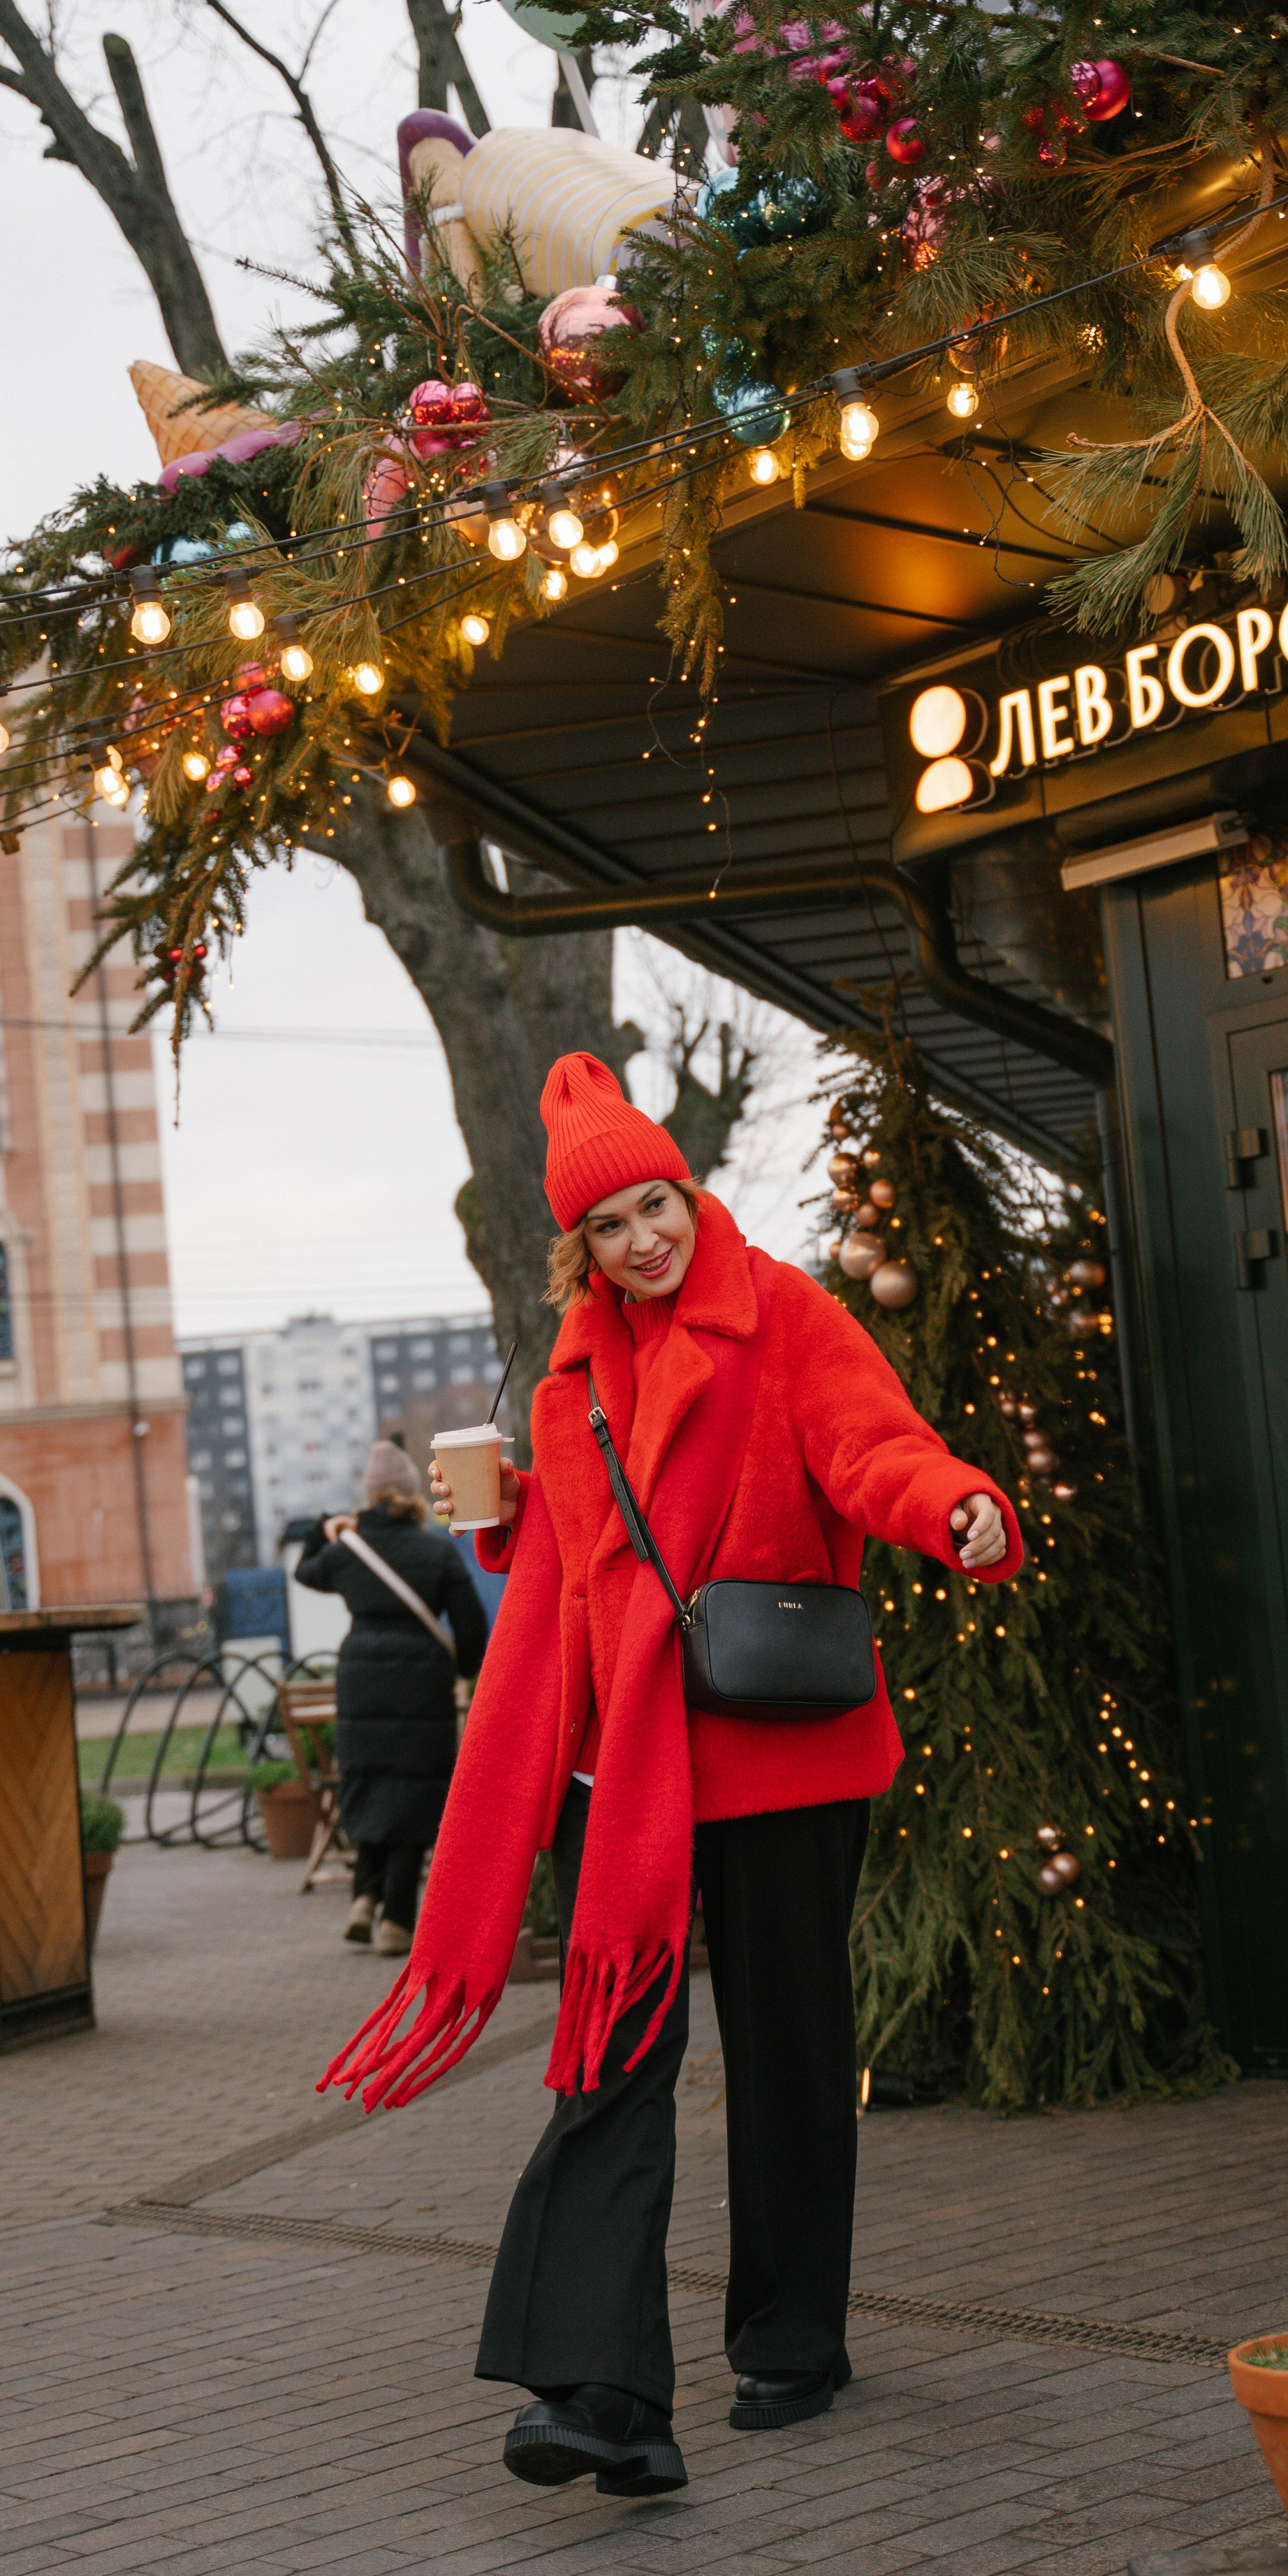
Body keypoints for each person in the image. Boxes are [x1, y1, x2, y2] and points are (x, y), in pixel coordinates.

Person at [322, 1053, 1023, 2498]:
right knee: (611, 2055)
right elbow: (589, 1553)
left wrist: (953, 1505)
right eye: (611, 1224)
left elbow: (871, 1449)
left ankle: (792, 2338)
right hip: (624, 1765)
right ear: (576, 1248)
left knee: (787, 2050)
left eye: (657, 1205)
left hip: (778, 1748)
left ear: (689, 1195)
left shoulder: (785, 1313)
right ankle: (601, 2390)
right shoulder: (572, 1373)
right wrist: (509, 1514)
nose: (644, 1239)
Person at [295, 1441, 489, 1955]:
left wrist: (325, 1527)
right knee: (414, 1797)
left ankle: (363, 1898)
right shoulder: (435, 1551)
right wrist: (460, 1671)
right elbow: (472, 1624)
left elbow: (305, 1572)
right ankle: (396, 1922)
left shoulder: (348, 1552)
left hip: (360, 1681)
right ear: (410, 1493)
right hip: (421, 1683)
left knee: (367, 1783)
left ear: (369, 1495)